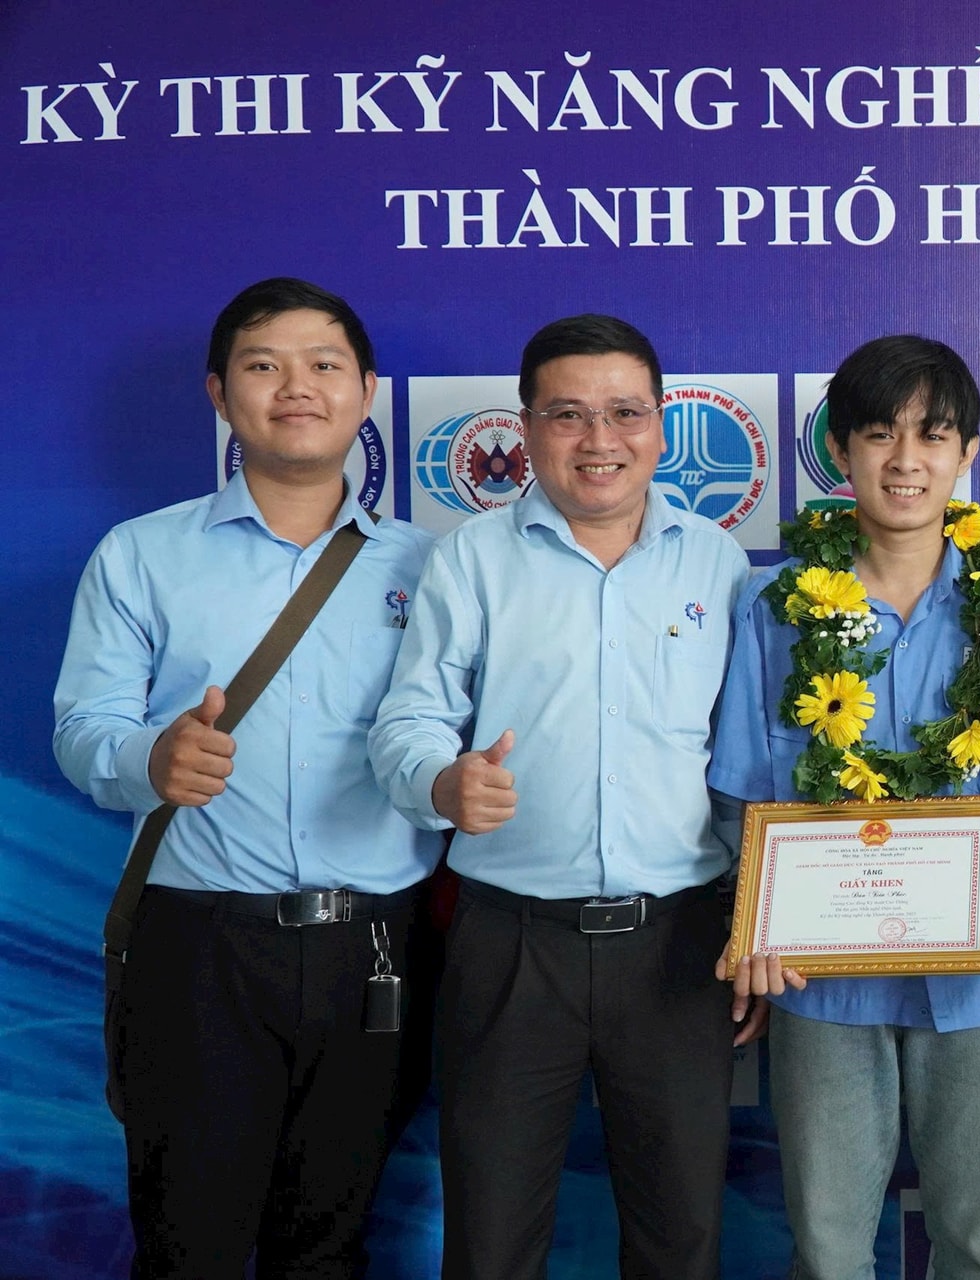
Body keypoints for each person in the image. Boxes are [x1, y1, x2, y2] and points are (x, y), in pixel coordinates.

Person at [52, 278, 440, 1278]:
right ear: (220, 394)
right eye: (264, 365)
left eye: (324, 365)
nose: (296, 386)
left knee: (330, 1245)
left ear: (366, 392)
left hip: (376, 950)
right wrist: (151, 757)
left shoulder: (433, 566)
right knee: (190, 1245)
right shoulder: (143, 554)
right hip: (198, 948)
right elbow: (83, 729)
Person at [368, 315, 750, 1280]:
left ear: (660, 424)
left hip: (680, 946)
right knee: (491, 1241)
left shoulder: (718, 563)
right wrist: (443, 781)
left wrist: (763, 917)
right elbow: (409, 719)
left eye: (625, 412)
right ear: (528, 427)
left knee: (681, 1241)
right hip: (510, 945)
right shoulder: (470, 558)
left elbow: (748, 762)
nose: (598, 439)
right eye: (568, 414)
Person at [707, 335, 980, 1280]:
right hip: (821, 980)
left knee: (978, 1244)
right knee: (829, 1250)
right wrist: (758, 924)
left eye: (933, 436)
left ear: (967, 454)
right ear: (841, 449)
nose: (906, 460)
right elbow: (745, 790)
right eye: (879, 434)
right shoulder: (777, 608)